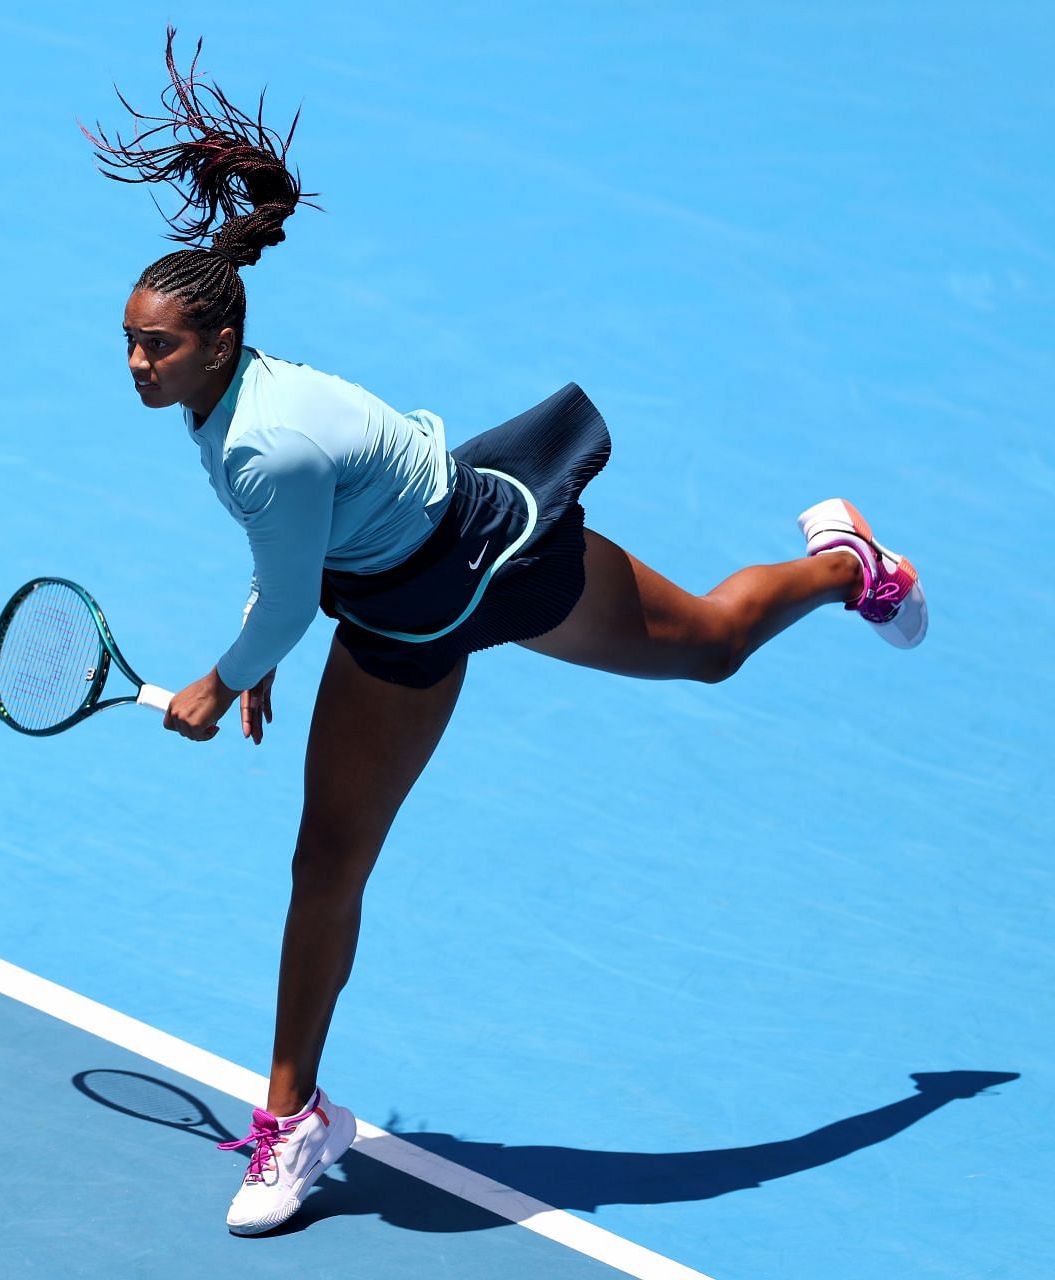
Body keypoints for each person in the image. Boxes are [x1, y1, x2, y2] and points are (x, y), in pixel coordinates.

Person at [84, 29, 927, 1236]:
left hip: (496, 554)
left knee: (711, 644)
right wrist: (263, 651)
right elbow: (299, 559)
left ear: (219, 342)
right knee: (327, 860)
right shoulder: (233, 403)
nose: (134, 362)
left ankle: (846, 565)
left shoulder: (255, 442)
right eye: (126, 338)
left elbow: (281, 587)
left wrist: (225, 681)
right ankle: (294, 1114)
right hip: (402, 606)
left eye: (154, 344)